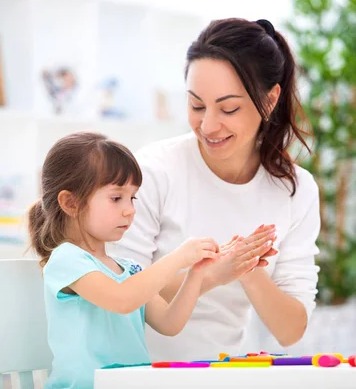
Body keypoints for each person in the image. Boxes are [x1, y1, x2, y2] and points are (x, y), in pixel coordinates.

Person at [109, 17, 321, 362]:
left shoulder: (294, 190)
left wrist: (251, 273)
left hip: (221, 373)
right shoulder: (152, 170)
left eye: (229, 108)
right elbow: (118, 290)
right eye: (196, 105)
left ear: (269, 101)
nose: (207, 125)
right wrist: (212, 275)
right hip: (136, 372)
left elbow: (291, 330)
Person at [27, 132, 224, 388]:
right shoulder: (67, 259)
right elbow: (121, 300)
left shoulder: (127, 269)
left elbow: (169, 322)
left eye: (133, 198)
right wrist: (177, 258)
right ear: (71, 202)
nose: (130, 209)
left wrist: (195, 274)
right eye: (116, 198)